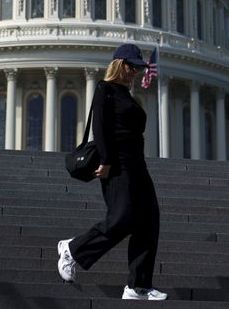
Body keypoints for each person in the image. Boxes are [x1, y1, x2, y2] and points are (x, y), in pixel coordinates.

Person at [57, 43, 167, 301]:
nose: (135, 72)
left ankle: (138, 286)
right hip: (117, 163)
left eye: (138, 68)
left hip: (137, 163)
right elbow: (101, 126)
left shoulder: (127, 95)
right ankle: (72, 250)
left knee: (149, 220)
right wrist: (105, 161)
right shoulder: (105, 89)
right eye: (131, 66)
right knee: (122, 218)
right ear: (119, 65)